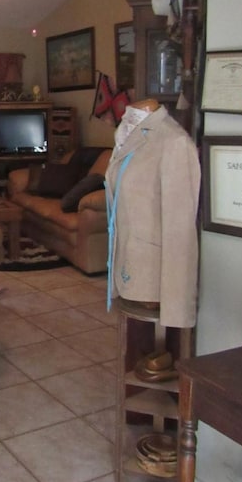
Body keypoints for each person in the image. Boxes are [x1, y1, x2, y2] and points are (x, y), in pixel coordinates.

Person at [104, 98, 200, 328]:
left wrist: (178, 306)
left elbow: (180, 229)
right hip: (127, 261)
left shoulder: (174, 141)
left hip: (152, 275)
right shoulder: (126, 132)